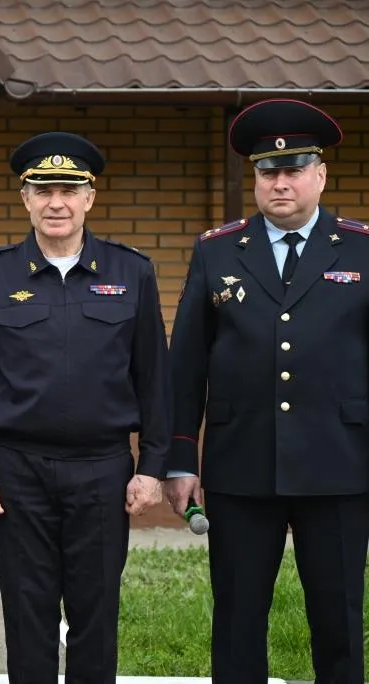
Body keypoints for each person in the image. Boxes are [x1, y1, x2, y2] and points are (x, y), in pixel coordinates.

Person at [0, 132, 169, 684]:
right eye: (42, 190)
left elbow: (155, 380)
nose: (56, 203)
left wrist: (153, 467)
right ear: (25, 199)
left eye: (69, 189)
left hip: (101, 470)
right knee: (28, 616)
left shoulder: (130, 273)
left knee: (96, 615)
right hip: (16, 471)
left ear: (90, 198)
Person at [166, 98, 369, 683]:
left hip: (339, 465)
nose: (280, 182)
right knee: (236, 618)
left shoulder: (360, 249)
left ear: (321, 174)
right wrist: (182, 458)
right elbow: (187, 366)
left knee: (339, 619)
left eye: (294, 168)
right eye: (266, 171)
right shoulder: (217, 249)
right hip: (241, 466)